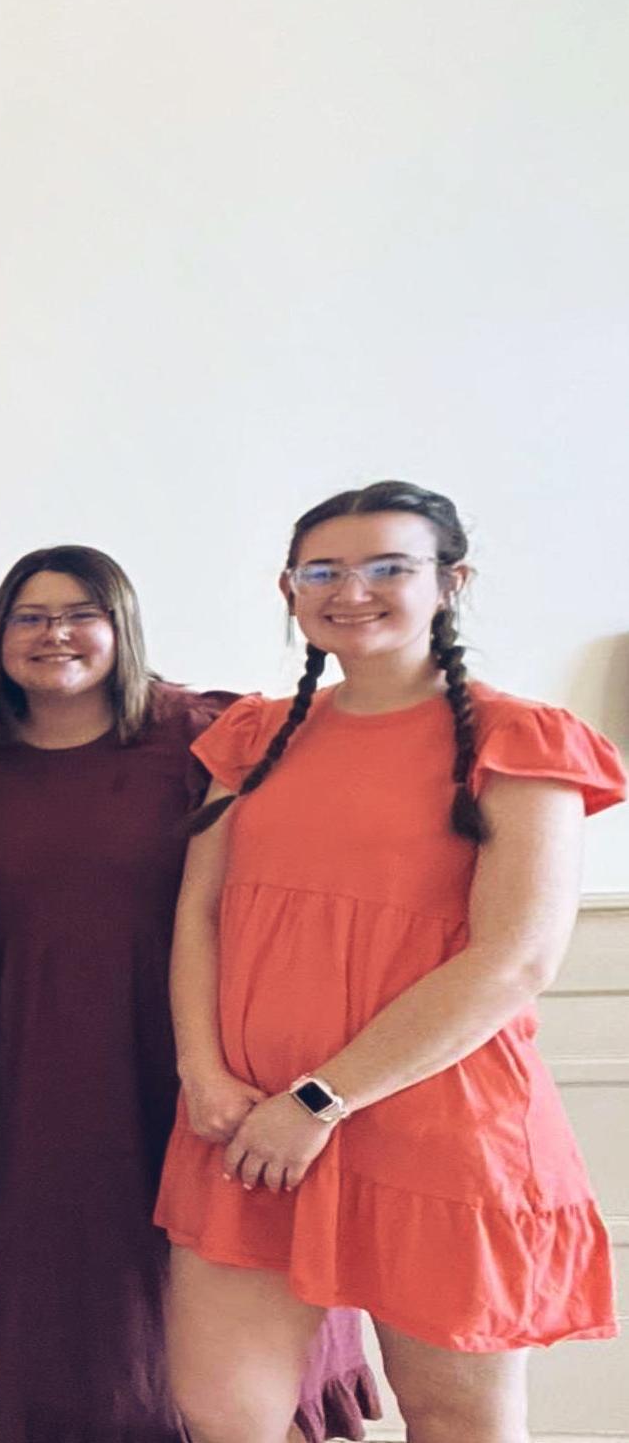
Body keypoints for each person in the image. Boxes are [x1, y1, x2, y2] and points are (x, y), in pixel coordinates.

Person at [157, 482, 624, 1443]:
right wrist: (201, 1072)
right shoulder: (252, 735)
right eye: (322, 570)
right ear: (288, 589)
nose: (350, 590)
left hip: (436, 1132)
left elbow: (514, 960)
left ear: (450, 583)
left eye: (387, 567)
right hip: (247, 1121)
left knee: (458, 1419)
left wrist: (320, 1101)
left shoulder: (517, 739)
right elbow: (198, 914)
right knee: (224, 1414)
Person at [0, 546, 379, 1443]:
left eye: (79, 612)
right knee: (59, 1267)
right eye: (29, 615)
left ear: (120, 625)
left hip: (200, 1053)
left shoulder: (204, 736)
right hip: (35, 1062)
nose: (54, 633)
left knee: (223, 1273)